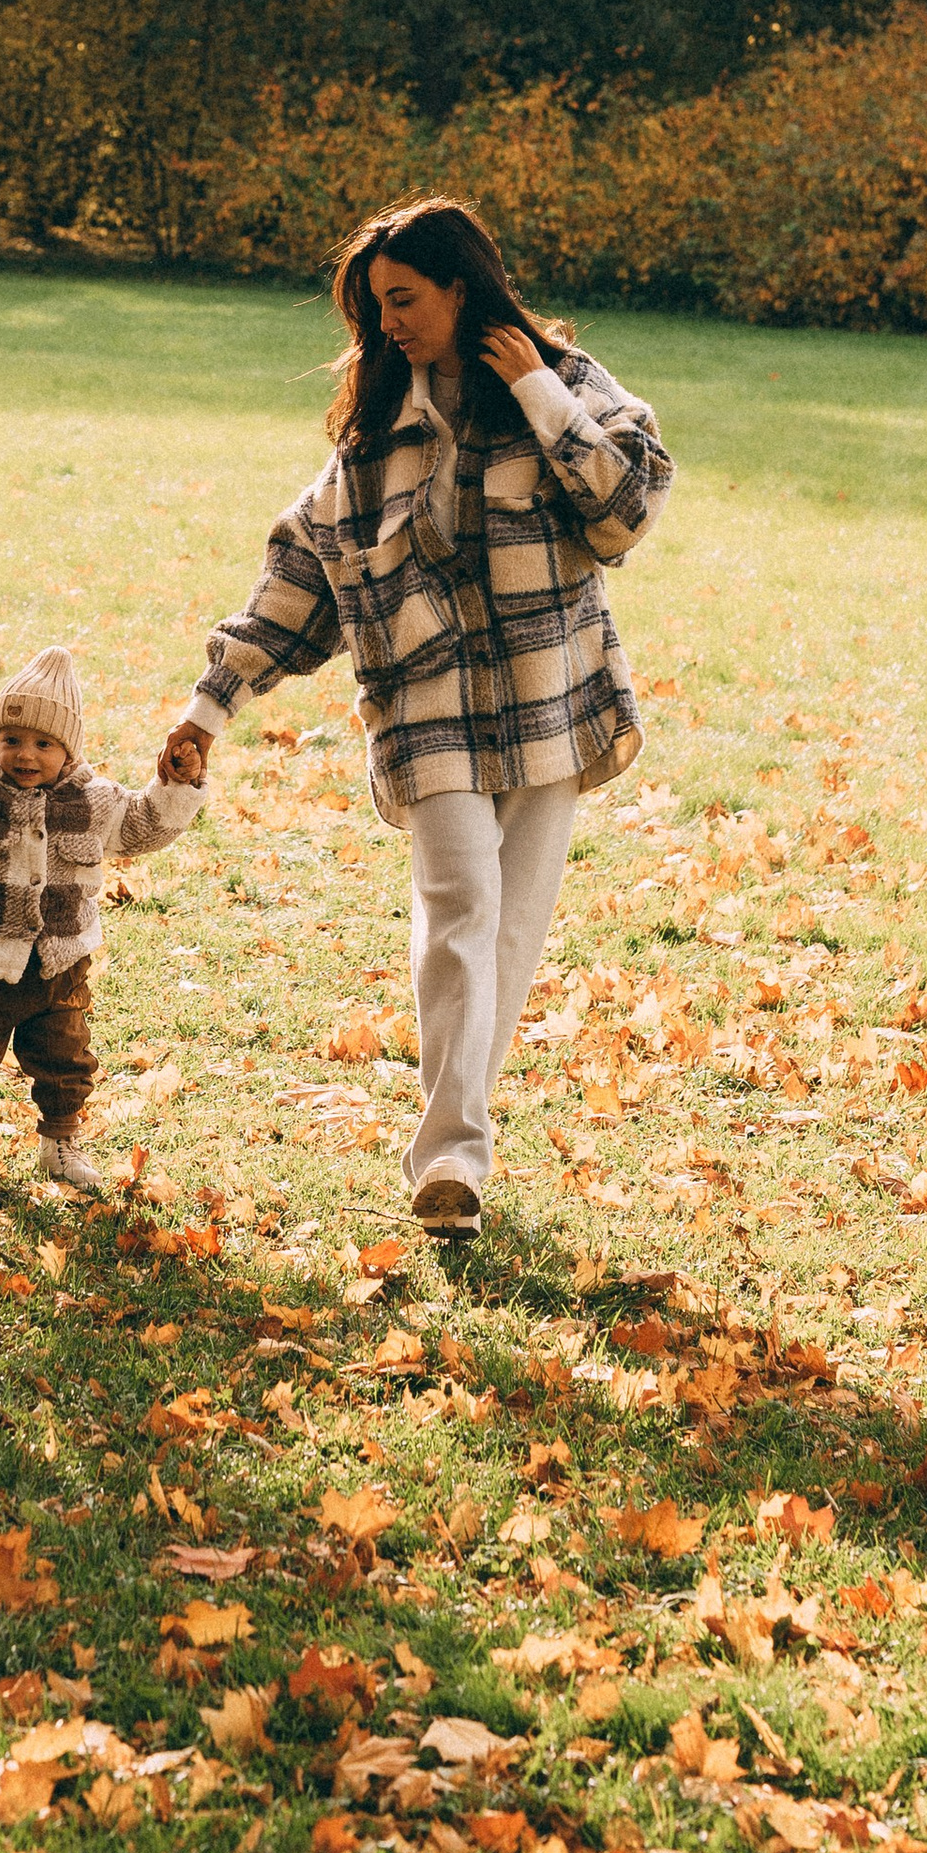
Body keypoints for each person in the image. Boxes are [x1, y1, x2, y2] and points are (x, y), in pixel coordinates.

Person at [159, 196, 670, 1241]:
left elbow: (624, 510)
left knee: (510, 933)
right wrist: (210, 704)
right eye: (372, 306)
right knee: (456, 917)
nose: (386, 322)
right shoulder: (374, 428)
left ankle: (456, 1148)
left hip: (546, 699)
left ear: (459, 286)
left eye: (403, 299)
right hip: (427, 708)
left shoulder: (567, 383)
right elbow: (302, 569)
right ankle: (449, 1160)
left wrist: (531, 385)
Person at [0, 640, 204, 1189]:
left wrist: (179, 782)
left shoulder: (92, 801)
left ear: (69, 750)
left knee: (65, 1057)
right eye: (12, 740)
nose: (25, 755)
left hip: (59, 964)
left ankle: (60, 1141)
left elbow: (147, 825)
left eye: (43, 743)